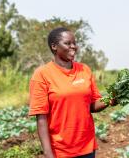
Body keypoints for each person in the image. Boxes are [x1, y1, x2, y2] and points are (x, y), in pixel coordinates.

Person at [28, 27, 115, 158]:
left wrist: (111, 98)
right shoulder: (42, 74)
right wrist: (48, 154)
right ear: (54, 46)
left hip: (87, 147)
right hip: (60, 151)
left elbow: (92, 105)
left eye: (74, 43)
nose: (73, 46)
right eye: (68, 43)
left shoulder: (84, 70)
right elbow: (41, 118)